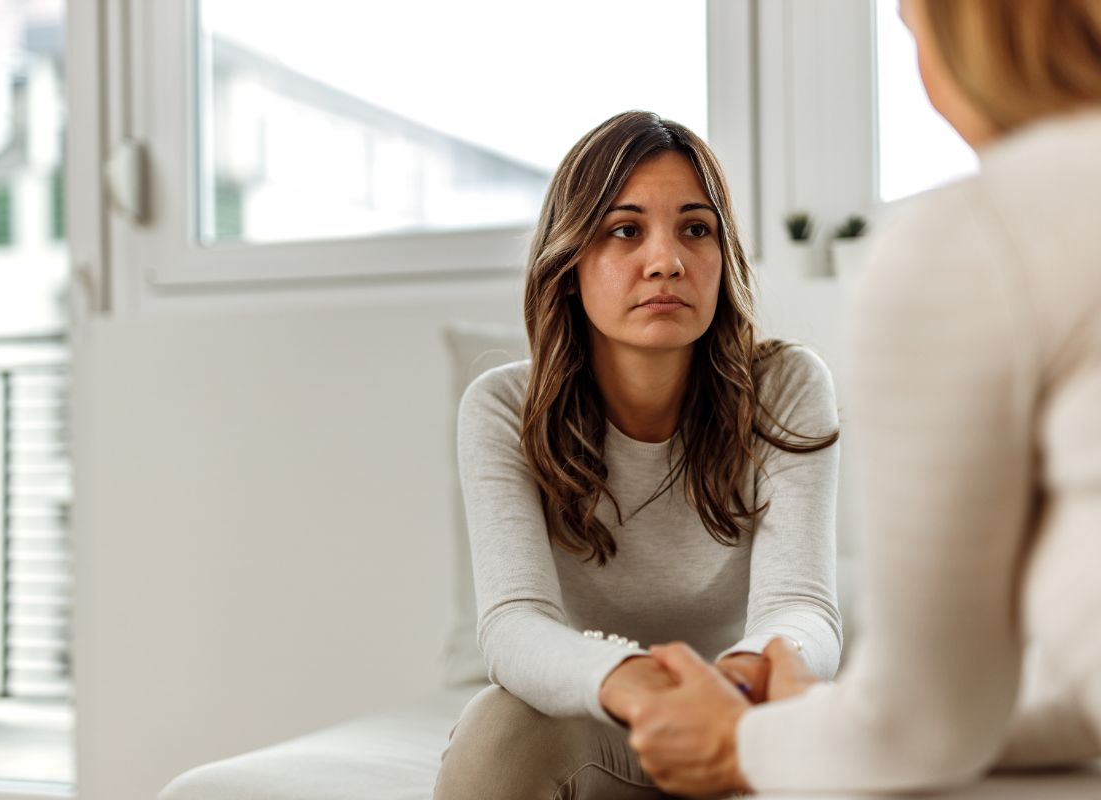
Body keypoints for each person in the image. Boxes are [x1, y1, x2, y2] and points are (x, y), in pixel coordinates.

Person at [608, 1, 1101, 795]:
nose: (663, 261)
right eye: (624, 231)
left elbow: (923, 724)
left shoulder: (979, 239)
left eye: (910, 26)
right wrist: (817, 722)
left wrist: (747, 741)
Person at [432, 110, 843, 799]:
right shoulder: (502, 407)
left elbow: (800, 607)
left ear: (722, 257)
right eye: (625, 230)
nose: (666, 260)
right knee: (499, 729)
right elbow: (513, 625)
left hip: (743, 719)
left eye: (695, 228)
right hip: (603, 718)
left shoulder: (787, 387)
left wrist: (738, 682)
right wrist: (637, 685)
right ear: (568, 264)